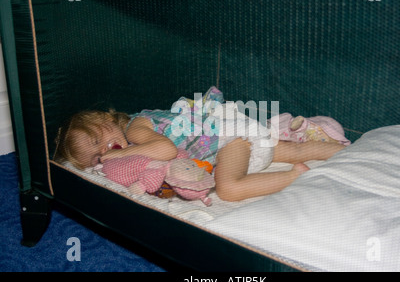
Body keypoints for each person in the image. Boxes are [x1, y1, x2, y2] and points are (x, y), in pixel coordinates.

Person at [54, 100, 346, 202]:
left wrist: (118, 155)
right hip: (233, 137)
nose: (105, 151)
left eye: (97, 140)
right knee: (288, 152)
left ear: (105, 120)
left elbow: (166, 150)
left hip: (228, 139)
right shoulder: (133, 144)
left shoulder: (135, 128)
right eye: (96, 156)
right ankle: (332, 150)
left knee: (229, 189)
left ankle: (295, 177)